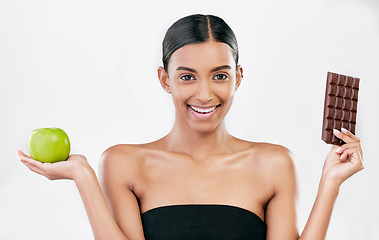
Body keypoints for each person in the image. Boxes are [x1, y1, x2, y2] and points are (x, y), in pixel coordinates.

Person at [16, 14, 364, 240]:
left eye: (220, 76)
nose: (205, 94)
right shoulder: (125, 163)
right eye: (187, 77)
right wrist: (82, 175)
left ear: (238, 78)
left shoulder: (273, 163)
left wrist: (330, 183)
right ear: (164, 79)